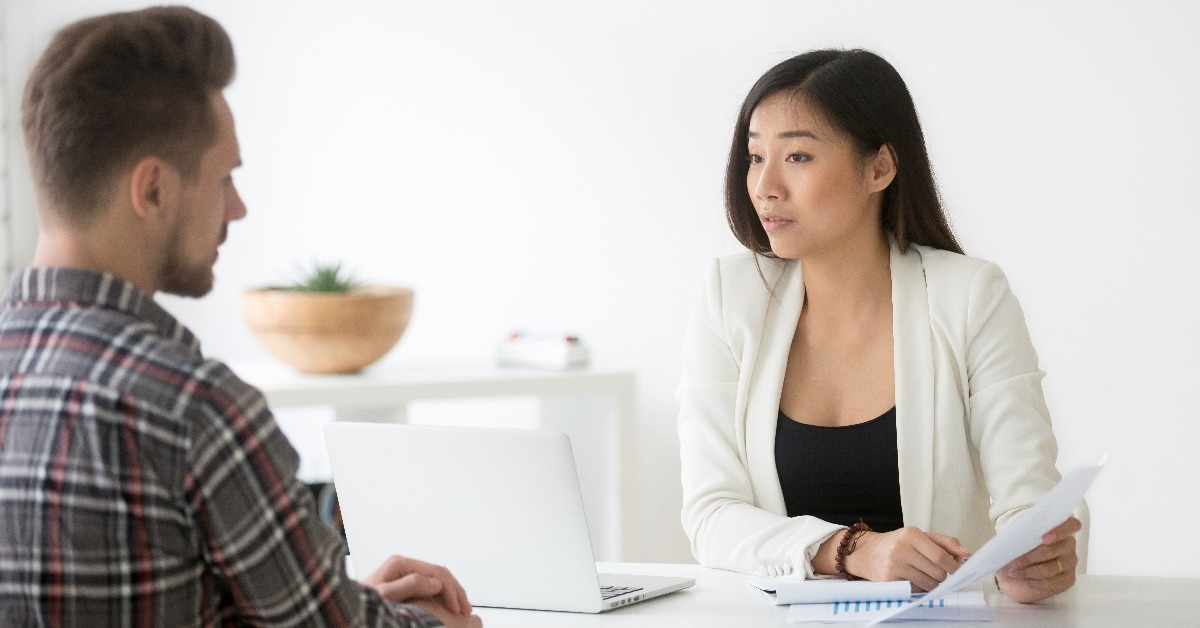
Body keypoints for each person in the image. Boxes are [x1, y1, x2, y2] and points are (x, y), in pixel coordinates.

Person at [0, 7, 480, 627]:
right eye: (224, 177)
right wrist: (440, 623)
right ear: (152, 190)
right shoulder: (191, 408)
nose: (239, 207)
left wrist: (348, 601)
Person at [676, 48, 1080, 604]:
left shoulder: (971, 296)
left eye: (797, 156)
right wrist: (852, 549)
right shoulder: (730, 297)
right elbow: (711, 515)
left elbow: (1028, 497)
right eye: (754, 156)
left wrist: (1035, 557)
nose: (765, 185)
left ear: (880, 168)